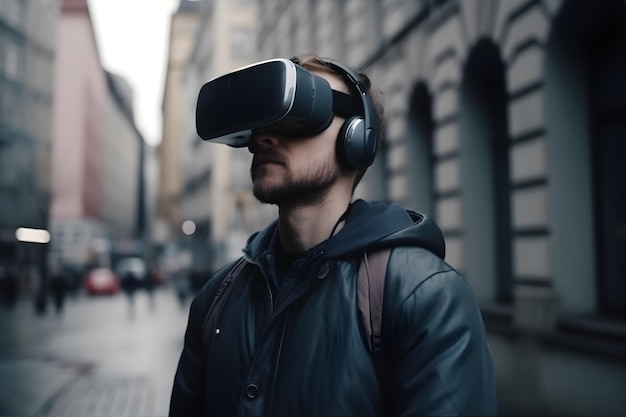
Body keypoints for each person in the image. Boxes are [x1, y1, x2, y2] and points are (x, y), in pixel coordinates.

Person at [170, 52, 497, 416]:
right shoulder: (216, 300)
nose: (264, 138)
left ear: (357, 137)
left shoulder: (422, 294)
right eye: (264, 119)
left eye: (301, 113)